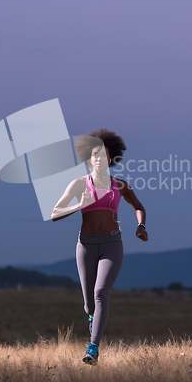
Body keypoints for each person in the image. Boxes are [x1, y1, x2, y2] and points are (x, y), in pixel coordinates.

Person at [51, 128, 148, 365]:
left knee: (100, 292)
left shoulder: (121, 185)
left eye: (103, 155)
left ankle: (92, 348)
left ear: (111, 158)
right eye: (94, 154)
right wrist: (79, 205)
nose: (98, 159)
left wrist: (141, 225)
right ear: (88, 158)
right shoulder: (78, 184)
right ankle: (93, 321)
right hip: (85, 245)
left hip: (112, 244)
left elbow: (139, 206)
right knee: (88, 304)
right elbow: (54, 213)